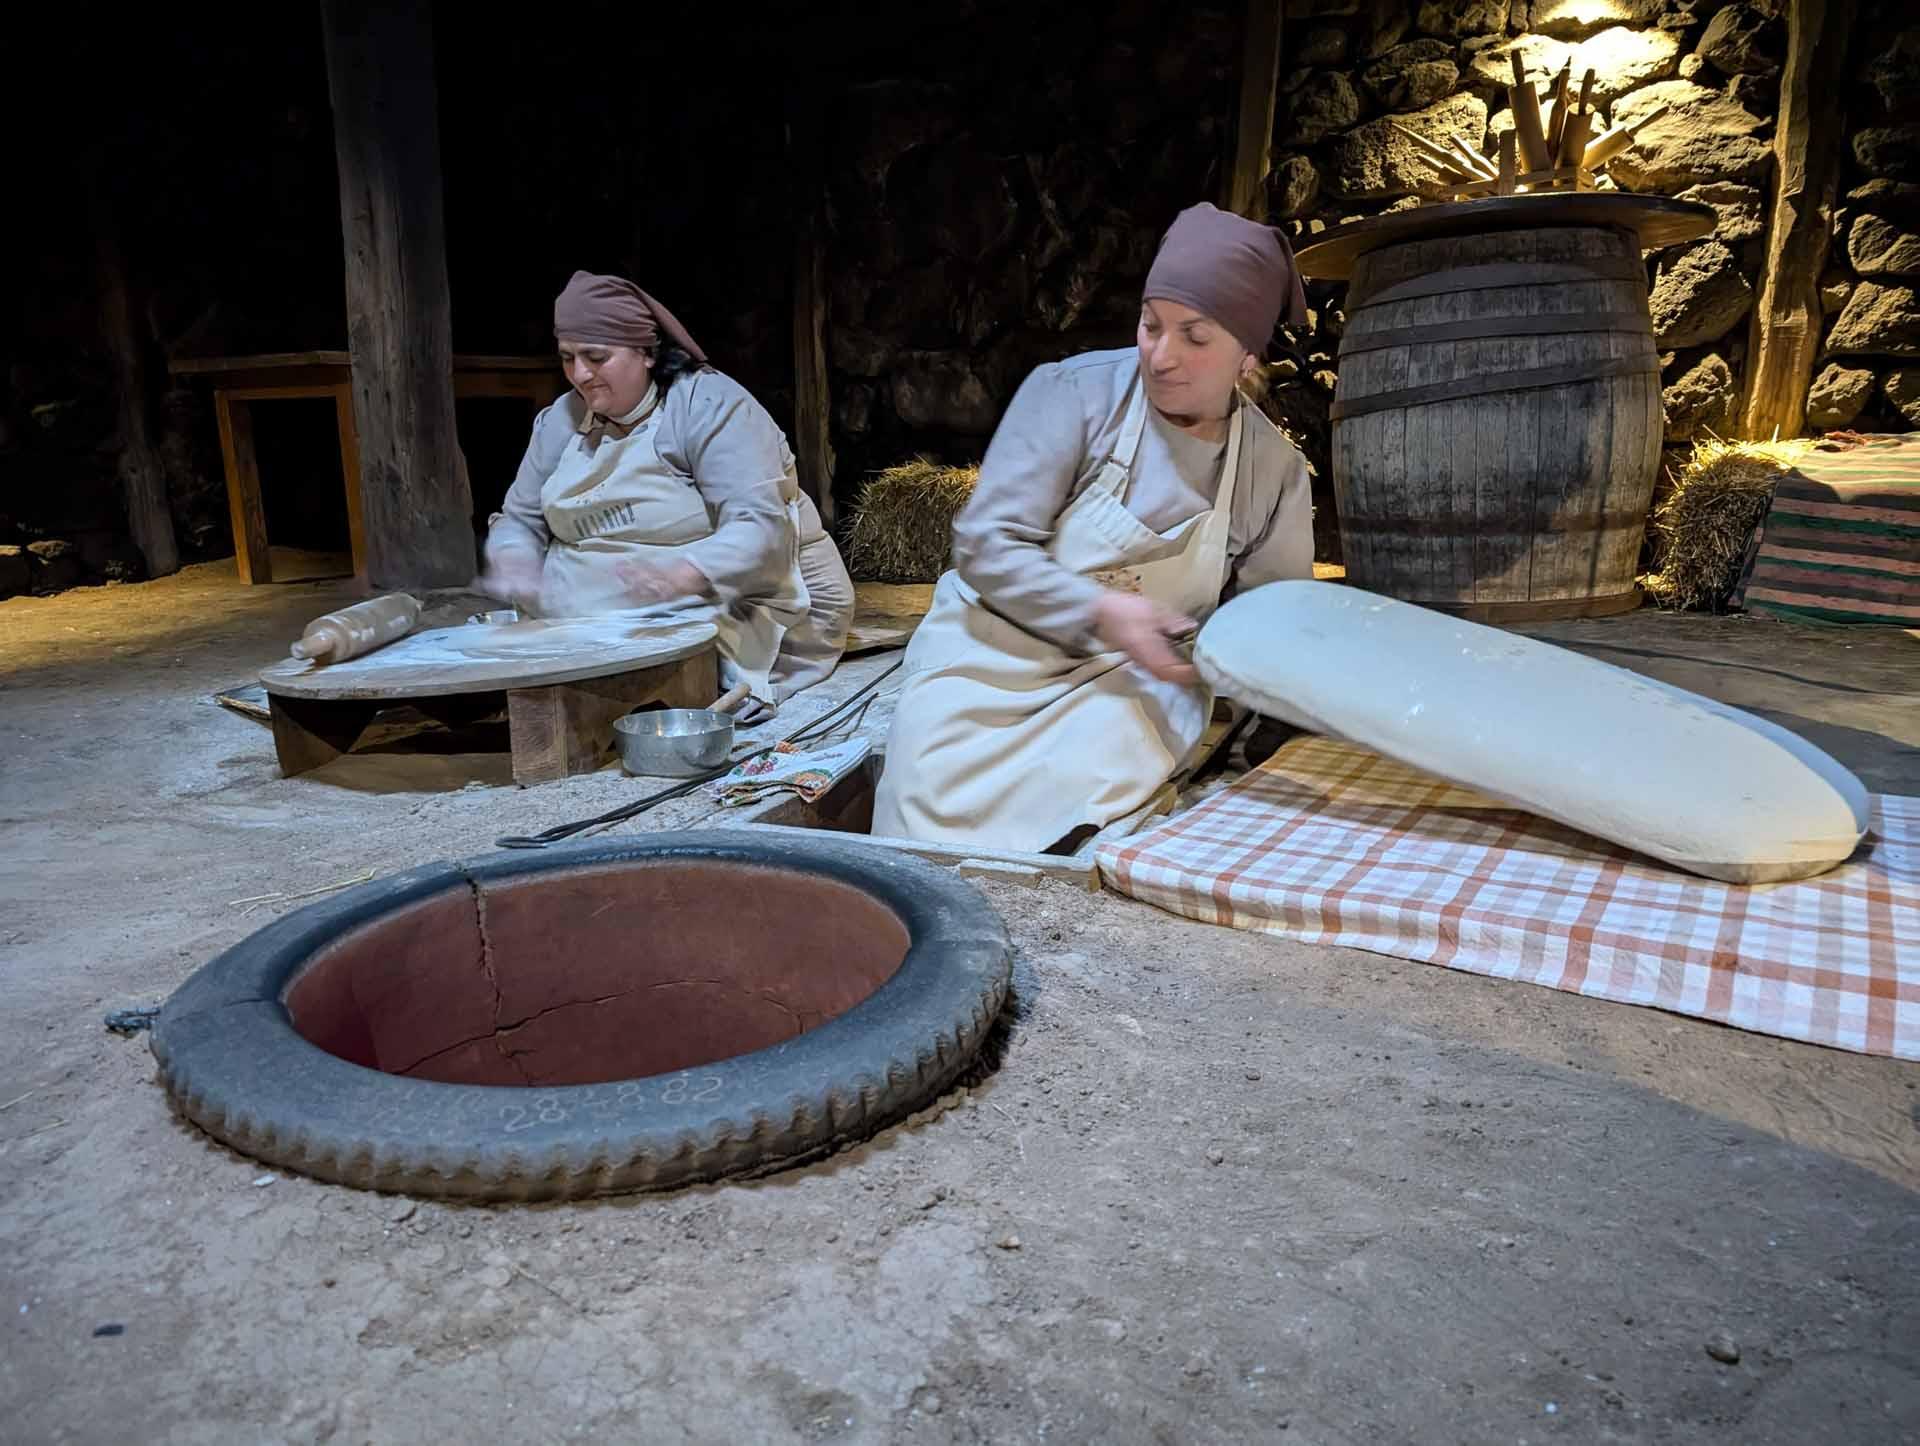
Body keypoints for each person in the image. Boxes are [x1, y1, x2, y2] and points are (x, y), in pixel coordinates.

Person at [872, 203, 1315, 850]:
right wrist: (1101, 612)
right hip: (992, 664)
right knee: (928, 818)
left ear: (1247, 356)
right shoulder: (1074, 396)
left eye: (1194, 336)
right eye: (1150, 324)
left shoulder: (1271, 471)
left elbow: (1269, 633)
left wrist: (1255, 762)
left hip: (1125, 690)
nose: (1162, 355)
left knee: (1099, 822)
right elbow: (987, 546)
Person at [478, 270, 853, 719]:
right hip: (603, 613)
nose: (580, 374)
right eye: (568, 358)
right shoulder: (561, 421)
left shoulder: (708, 407)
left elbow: (759, 527)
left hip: (733, 604)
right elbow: (520, 518)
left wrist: (684, 572)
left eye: (596, 357)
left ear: (647, 353)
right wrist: (515, 558)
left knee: (654, 688)